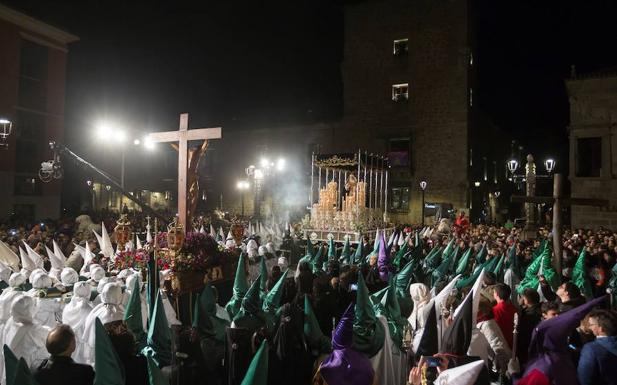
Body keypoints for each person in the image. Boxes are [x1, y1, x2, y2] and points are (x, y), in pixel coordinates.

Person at [577, 309, 617, 385]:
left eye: (591, 325)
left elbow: (585, 379)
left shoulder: (591, 349)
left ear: (601, 328)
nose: (589, 328)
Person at [492, 284, 517, 349]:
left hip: (501, 344)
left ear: (497, 294)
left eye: (494, 292)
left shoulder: (494, 310)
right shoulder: (513, 308)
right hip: (513, 343)